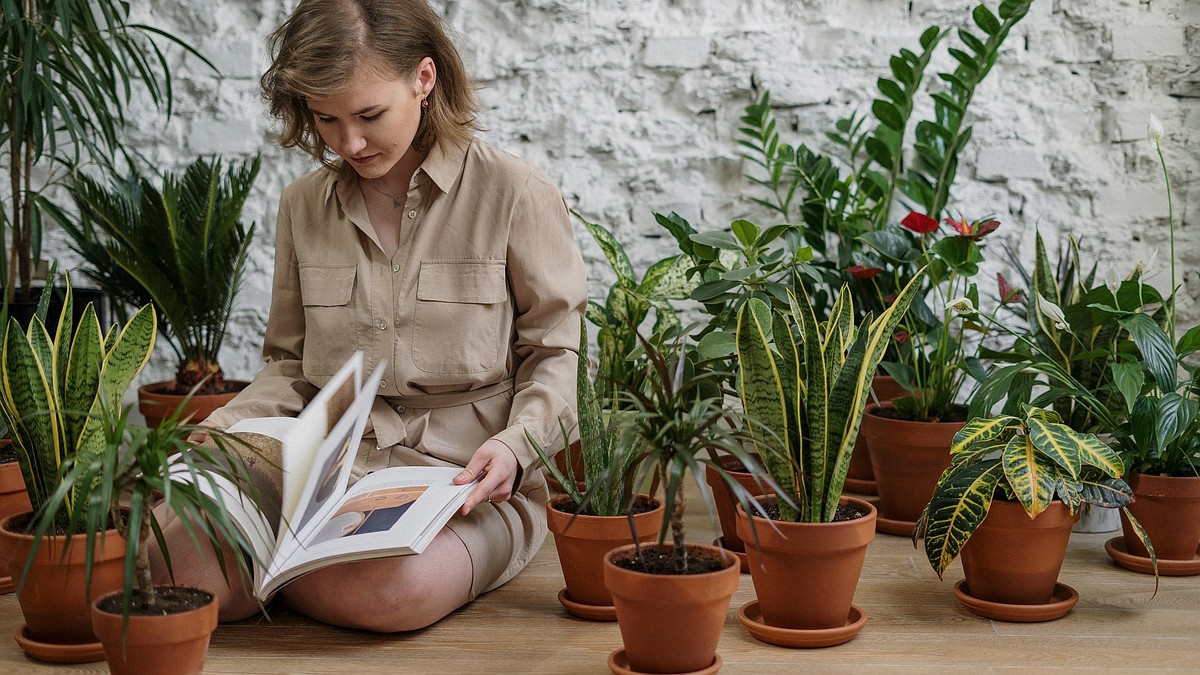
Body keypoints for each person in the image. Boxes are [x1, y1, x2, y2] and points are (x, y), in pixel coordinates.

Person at [151, 0, 586, 633]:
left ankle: (268, 573)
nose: (348, 142)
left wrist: (516, 447)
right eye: (325, 119)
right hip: (322, 471)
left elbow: (555, 353)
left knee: (388, 592)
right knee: (171, 567)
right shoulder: (303, 205)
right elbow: (291, 366)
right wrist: (221, 430)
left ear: (424, 79)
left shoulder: (515, 194)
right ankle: (287, 567)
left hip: (464, 482)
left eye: (369, 115)